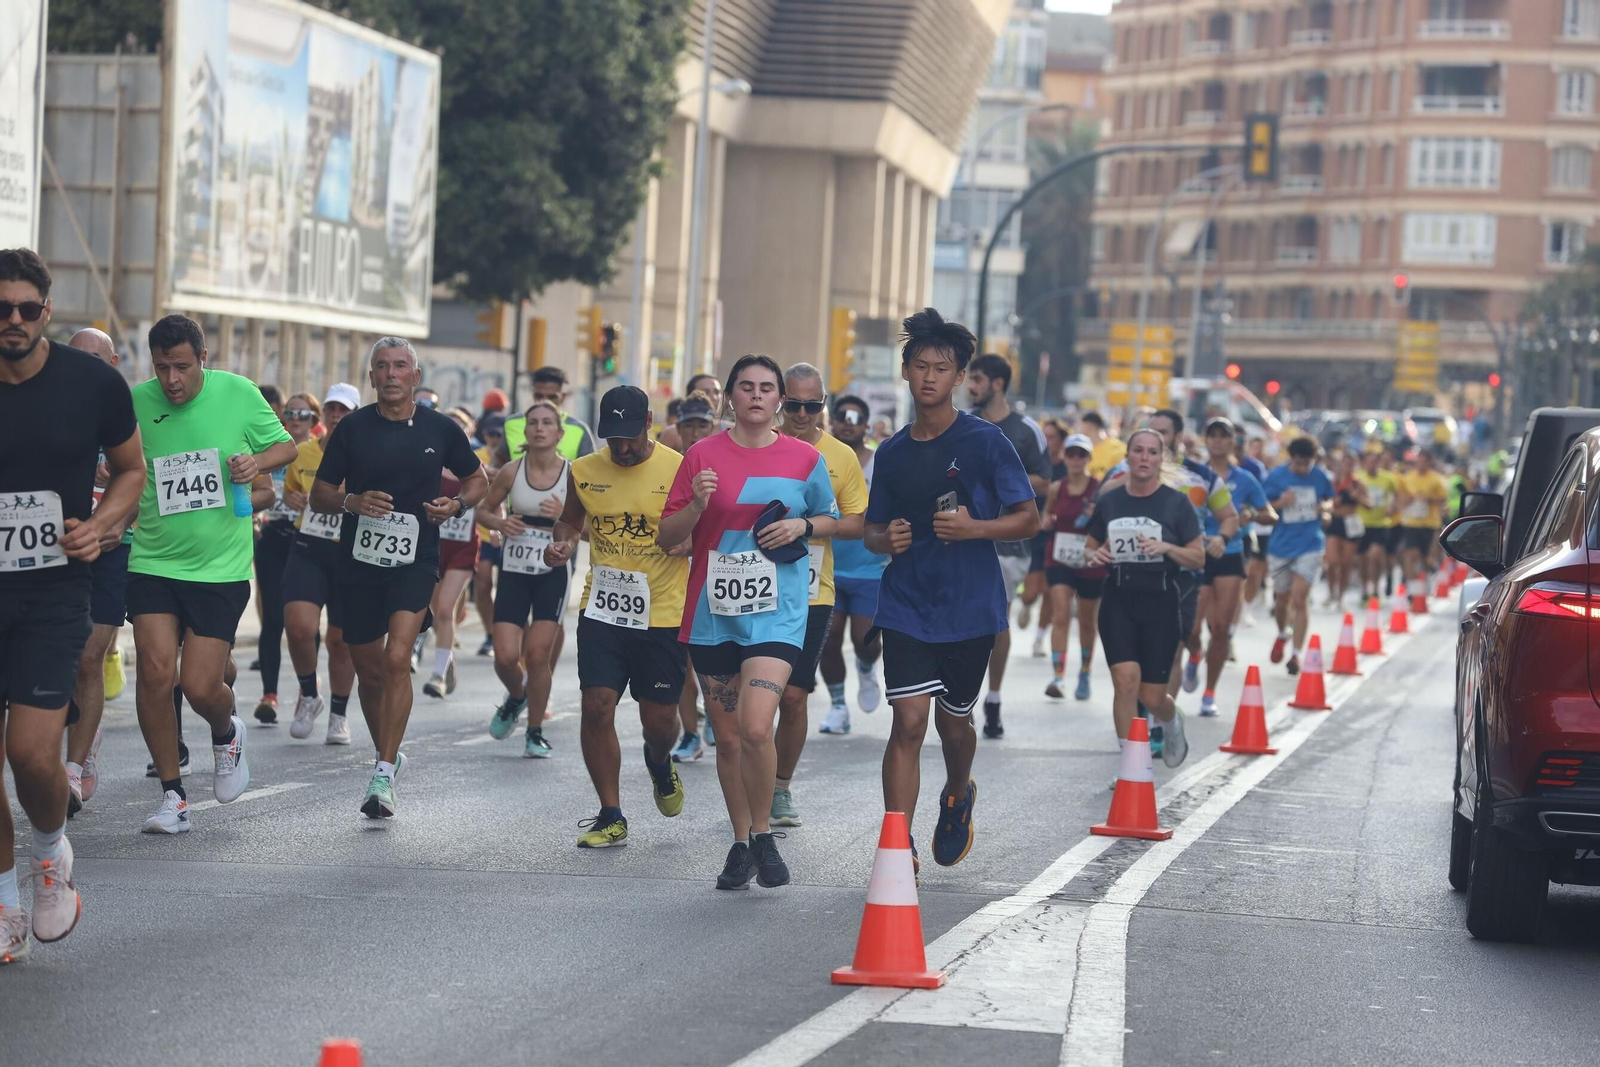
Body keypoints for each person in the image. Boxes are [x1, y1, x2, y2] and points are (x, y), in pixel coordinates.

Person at [0, 249, 144, 960]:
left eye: (29, 309)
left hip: (55, 588)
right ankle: (3, 901)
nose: (15, 322)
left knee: (29, 754)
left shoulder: (91, 383)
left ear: (47, 312)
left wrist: (103, 522)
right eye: (3, 310)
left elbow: (131, 469)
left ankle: (51, 850)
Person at [864, 309, 1038, 873]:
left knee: (953, 723)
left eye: (942, 368)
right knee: (908, 722)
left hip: (969, 607)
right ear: (907, 372)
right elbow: (872, 528)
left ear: (959, 376)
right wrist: (881, 537)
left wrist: (975, 528)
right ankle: (898, 844)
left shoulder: (985, 443)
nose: (930, 377)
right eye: (921, 366)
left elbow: (1028, 518)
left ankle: (958, 792)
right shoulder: (891, 453)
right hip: (908, 603)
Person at [658, 357, 839, 890]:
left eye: (767, 388)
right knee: (731, 738)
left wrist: (801, 524)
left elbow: (834, 517)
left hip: (777, 613)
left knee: (759, 725)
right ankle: (741, 842)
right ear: (729, 398)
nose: (757, 396)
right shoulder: (700, 455)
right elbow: (668, 537)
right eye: (746, 387)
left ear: (779, 399)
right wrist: (696, 504)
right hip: (714, 615)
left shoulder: (805, 458)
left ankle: (763, 833)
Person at [124, 314, 296, 836]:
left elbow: (284, 448)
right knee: (155, 675)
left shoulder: (238, 393)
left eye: (181, 367)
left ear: (203, 360)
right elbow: (121, 465)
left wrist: (254, 463)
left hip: (219, 567)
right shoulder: (137, 401)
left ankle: (226, 731)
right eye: (161, 369)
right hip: (152, 558)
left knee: (200, 685)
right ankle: (173, 798)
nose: (171, 380)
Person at [309, 337, 487, 819]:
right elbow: (319, 495)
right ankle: (386, 753)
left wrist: (456, 505)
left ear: (416, 376)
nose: (390, 374)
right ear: (371, 378)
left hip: (416, 559)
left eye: (400, 366)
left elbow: (478, 480)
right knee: (369, 669)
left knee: (396, 658)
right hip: (358, 562)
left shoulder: (441, 428)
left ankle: (384, 772)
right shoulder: (352, 431)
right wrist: (353, 502)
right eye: (381, 367)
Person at [545, 386, 689, 846]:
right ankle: (611, 813)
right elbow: (570, 520)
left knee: (658, 722)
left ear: (648, 422)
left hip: (664, 612)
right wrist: (562, 542)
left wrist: (690, 543)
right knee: (596, 705)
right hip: (603, 607)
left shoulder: (679, 467)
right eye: (613, 438)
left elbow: (701, 526)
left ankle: (659, 762)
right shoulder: (584, 470)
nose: (622, 448)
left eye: (629, 437)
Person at [769, 363, 868, 827]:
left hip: (810, 591)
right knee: (740, 700)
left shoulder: (840, 456)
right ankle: (748, 783)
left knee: (792, 697)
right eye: (794, 404)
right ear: (779, 402)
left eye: (814, 405)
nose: (804, 413)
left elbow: (858, 522)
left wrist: (808, 526)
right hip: (751, 587)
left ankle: (780, 787)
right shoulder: (757, 445)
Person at [1084, 427, 1203, 771]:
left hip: (1161, 599)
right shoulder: (1111, 499)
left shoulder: (1176, 503)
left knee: (1150, 697)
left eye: (1153, 452)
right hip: (1119, 596)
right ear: (1128, 456)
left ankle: (1171, 719)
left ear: (1161, 458)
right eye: (1138, 451)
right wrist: (1095, 556)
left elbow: (1198, 557)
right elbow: (1090, 546)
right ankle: (1132, 766)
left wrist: (1167, 547)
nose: (1145, 458)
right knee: (1125, 682)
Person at [964, 353, 1050, 740]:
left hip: (1009, 543)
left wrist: (1002, 479)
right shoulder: (963, 425)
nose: (971, 386)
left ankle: (993, 697)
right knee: (964, 616)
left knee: (996, 619)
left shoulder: (1025, 429)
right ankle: (960, 698)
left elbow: (1046, 482)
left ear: (998, 384)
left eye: (978, 379)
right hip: (962, 535)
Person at [61, 328, 128, 819]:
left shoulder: (130, 412)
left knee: (89, 657)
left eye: (95, 359)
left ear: (113, 362)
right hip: (54, 549)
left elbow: (150, 486)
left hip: (111, 551)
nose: (84, 367)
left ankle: (72, 765)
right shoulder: (49, 404)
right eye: (76, 357)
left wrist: (116, 519)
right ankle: (81, 722)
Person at [479, 401, 571, 757]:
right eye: (533, 422)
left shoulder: (573, 474)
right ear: (526, 430)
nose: (539, 428)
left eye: (547, 423)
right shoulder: (511, 471)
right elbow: (484, 511)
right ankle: (517, 697)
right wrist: (501, 523)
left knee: (537, 655)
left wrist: (564, 516)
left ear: (559, 433)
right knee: (504, 657)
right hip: (515, 570)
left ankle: (535, 731)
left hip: (553, 573)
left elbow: (588, 526)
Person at [280, 383, 360, 744]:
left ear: (356, 414)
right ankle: (309, 695)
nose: (337, 416)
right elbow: (290, 491)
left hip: (351, 553)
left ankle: (339, 715)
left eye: (344, 410)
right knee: (298, 627)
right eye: (332, 409)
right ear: (323, 414)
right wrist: (295, 499)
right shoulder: (303, 453)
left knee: (341, 641)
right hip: (309, 546)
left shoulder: (368, 454)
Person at [816, 394, 887, 736]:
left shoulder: (880, 463)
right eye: (842, 416)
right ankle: (838, 706)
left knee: (866, 640)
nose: (848, 422)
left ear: (866, 426)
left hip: (870, 570)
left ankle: (866, 665)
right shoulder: (819, 458)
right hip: (828, 568)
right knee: (828, 642)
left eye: (855, 418)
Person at [252, 389, 320, 724]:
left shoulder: (321, 453)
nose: (294, 419)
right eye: (290, 414)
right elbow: (254, 488)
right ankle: (270, 694)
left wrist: (306, 499)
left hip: (307, 541)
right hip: (271, 536)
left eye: (302, 415)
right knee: (273, 620)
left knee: (305, 622)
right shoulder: (268, 448)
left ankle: (308, 688)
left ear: (314, 420)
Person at [1197, 419, 1273, 717]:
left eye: (1223, 437)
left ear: (1232, 442)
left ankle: (1209, 692)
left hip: (1230, 552)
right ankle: (1192, 659)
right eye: (1211, 436)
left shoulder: (1245, 479)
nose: (1217, 441)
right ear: (1206, 440)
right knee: (1190, 631)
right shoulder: (1194, 474)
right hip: (1197, 553)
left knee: (1220, 629)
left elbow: (1270, 515)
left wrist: (1251, 514)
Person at [666, 392, 721, 761]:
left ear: (713, 425)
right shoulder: (668, 463)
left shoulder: (725, 459)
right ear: (679, 427)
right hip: (673, 578)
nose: (696, 432)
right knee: (680, 661)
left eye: (703, 424)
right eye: (689, 425)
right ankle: (689, 733)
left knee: (715, 660)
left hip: (719, 576)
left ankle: (717, 714)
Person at [420, 408, 483, 699]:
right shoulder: (428, 461)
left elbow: (492, 504)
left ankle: (437, 676)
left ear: (471, 432)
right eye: (451, 425)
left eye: (462, 426)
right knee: (433, 611)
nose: (456, 430)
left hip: (463, 547)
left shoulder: (479, 468)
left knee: (446, 609)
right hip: (432, 543)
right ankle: (448, 663)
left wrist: (495, 525)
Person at [1039, 433, 1104, 701]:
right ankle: (1058, 676)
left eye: (1082, 455)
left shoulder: (1099, 490)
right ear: (1064, 457)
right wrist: (1047, 521)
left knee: (1087, 621)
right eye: (1071, 454)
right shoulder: (1057, 488)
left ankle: (1085, 672)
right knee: (1061, 614)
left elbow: (1106, 523)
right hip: (1060, 557)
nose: (1076, 459)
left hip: (1090, 560)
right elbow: (1047, 514)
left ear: (1089, 458)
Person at [1262, 436, 1334, 675]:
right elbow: (1264, 507)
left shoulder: (1320, 476)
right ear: (1291, 458)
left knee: (1300, 598)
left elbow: (1330, 500)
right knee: (1282, 599)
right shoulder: (1276, 477)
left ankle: (1296, 655)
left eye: (1308, 463)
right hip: (1281, 546)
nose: (1304, 468)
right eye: (1300, 463)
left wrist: (1325, 509)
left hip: (1310, 544)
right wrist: (1282, 502)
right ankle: (1283, 634)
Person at [1021, 418, 1070, 658]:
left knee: (1051, 590)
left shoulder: (1068, 467)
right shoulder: (1035, 466)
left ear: (1061, 441)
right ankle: (1027, 603)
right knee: (1031, 591)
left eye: (1052, 437)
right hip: (1032, 533)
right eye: (1045, 436)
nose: (1047, 441)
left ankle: (1039, 638)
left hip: (1057, 535)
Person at [470, 412, 507, 658]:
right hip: (483, 529)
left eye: (498, 435)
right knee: (483, 584)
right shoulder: (476, 458)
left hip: (510, 530)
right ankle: (490, 635)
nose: (493, 439)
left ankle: (507, 634)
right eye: (489, 434)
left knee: (507, 588)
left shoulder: (514, 459)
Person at [502, 367, 596, 462]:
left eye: (552, 397)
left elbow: (589, 469)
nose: (544, 401)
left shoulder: (579, 429)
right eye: (539, 396)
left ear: (563, 397)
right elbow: (499, 458)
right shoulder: (511, 423)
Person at [1397, 449, 1448, 586]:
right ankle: (1412, 587)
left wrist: (1429, 499)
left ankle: (1424, 581)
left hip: (1430, 523)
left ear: (1429, 462)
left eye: (1424, 461)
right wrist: (1407, 499)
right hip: (1412, 522)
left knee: (1426, 558)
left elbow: (1443, 498)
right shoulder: (1407, 478)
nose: (1421, 464)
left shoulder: (1436, 479)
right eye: (1419, 460)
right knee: (1411, 554)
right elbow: (1400, 497)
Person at [1354, 443, 1399, 600]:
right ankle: (1364, 588)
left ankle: (1374, 588)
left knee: (1375, 556)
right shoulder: (1358, 478)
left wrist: (1392, 508)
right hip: (1362, 524)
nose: (1371, 465)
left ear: (1379, 463)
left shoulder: (1387, 479)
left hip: (1381, 524)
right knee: (1362, 559)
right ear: (1364, 463)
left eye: (1375, 461)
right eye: (1368, 461)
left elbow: (1396, 497)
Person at [1324, 451, 1364, 610]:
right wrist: (1332, 502)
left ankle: (1340, 597)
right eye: (1344, 462)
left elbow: (1368, 503)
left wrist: (1357, 497)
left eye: (1350, 463)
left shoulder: (1357, 483)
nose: (1346, 466)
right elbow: (1324, 500)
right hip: (1334, 522)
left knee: (1346, 563)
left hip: (1350, 522)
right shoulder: (1332, 482)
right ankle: (1331, 591)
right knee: (1332, 561)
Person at [1081, 410, 1125, 480]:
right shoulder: (1084, 450)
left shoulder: (1118, 448)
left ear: (1089, 426)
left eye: (1082, 425)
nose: (1080, 429)